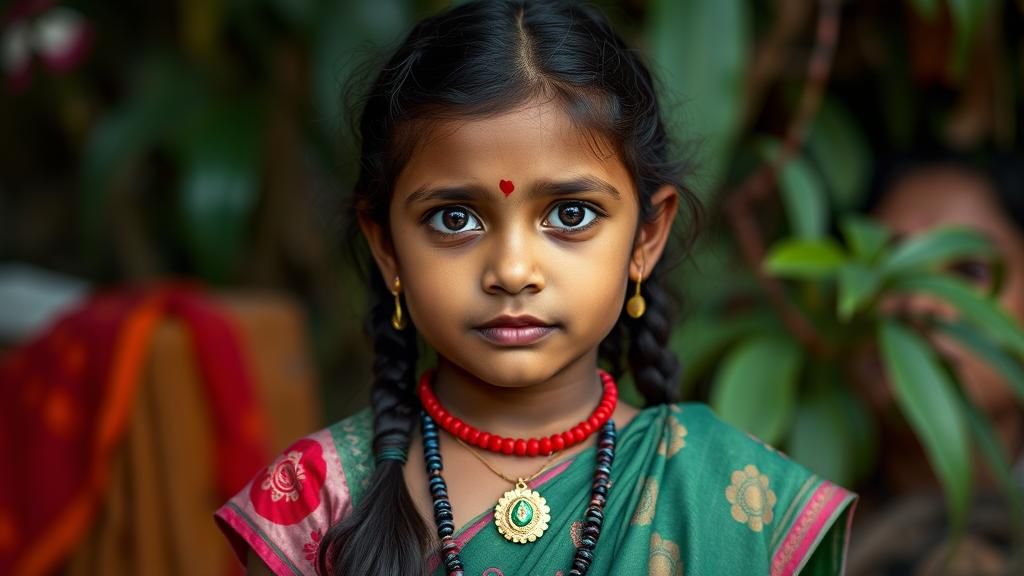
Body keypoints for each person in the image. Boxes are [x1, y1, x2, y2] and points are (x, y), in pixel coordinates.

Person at [214, 1, 856, 574]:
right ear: (387, 247)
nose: (514, 271)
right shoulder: (320, 498)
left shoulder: (735, 492)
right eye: (454, 219)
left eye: (570, 215)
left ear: (645, 238)